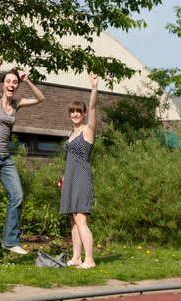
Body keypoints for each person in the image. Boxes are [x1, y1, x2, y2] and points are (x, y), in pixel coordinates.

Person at [0, 60, 45, 262]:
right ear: (3, 84)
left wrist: (28, 80)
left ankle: (10, 240)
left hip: (5, 158)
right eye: (8, 81)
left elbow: (40, 98)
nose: (12, 85)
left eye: (15, 82)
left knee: (17, 196)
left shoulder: (16, 103)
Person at [59, 73, 99, 269]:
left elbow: (92, 107)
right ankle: (76, 257)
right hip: (71, 178)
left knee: (81, 219)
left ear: (83, 113)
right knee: (73, 220)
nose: (75, 114)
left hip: (82, 176)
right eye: (72, 112)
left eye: (78, 111)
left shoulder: (87, 130)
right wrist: (65, 178)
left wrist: (94, 87)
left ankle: (89, 259)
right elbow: (69, 158)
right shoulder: (71, 133)